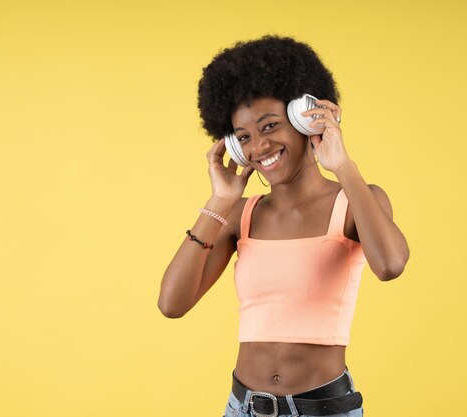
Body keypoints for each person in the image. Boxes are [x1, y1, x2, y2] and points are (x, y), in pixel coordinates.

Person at [157, 34, 409, 417]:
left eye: (270, 126)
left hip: (324, 409)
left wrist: (342, 165)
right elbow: (171, 304)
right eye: (244, 138)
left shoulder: (356, 201)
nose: (259, 147)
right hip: (241, 408)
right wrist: (219, 202)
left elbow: (390, 264)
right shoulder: (239, 215)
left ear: (304, 118)